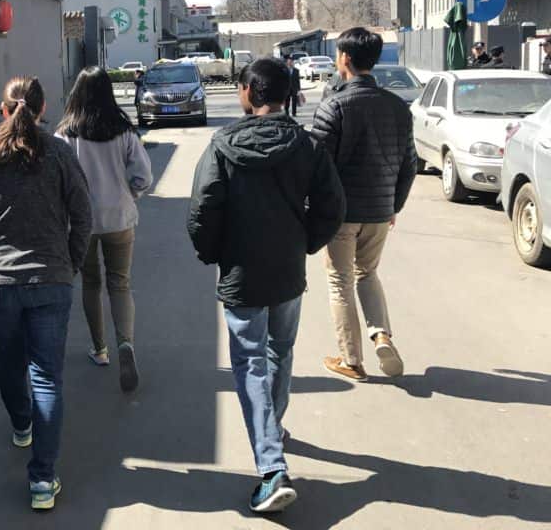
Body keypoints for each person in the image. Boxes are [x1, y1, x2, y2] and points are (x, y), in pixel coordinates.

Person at [188, 58, 345, 514]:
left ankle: (271, 465)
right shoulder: (307, 146)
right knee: (280, 351)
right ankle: (270, 431)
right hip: (287, 270)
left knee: (251, 362)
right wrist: (306, 242)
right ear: (285, 94)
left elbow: (202, 210)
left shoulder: (223, 146)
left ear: (247, 92)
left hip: (242, 272)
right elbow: (333, 207)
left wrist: (214, 253)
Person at [0, 76, 93, 511]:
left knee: (10, 360)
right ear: (42, 109)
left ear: (4, 109)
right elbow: (83, 213)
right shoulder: (59, 153)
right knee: (46, 377)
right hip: (51, 279)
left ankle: (22, 426)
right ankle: (42, 479)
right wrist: (71, 261)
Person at [311, 28, 417, 383]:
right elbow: (409, 164)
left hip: (342, 214)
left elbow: (318, 166)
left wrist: (314, 210)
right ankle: (381, 335)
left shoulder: (335, 106)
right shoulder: (397, 107)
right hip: (380, 211)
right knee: (367, 273)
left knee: (340, 281)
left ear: (344, 58)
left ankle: (351, 360)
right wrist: (393, 206)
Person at [57, 67, 153, 392]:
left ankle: (100, 349)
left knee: (91, 283)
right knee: (120, 283)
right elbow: (143, 176)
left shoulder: (66, 134)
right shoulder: (123, 130)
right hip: (119, 218)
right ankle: (125, 343)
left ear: (77, 93)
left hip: (81, 222)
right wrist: (130, 193)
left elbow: (59, 179)